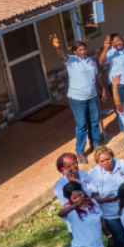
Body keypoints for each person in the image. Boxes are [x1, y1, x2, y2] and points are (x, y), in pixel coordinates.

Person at [50, 33, 104, 163]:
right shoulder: (71, 60)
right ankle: (80, 151)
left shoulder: (90, 61)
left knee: (94, 121)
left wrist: (102, 90)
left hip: (92, 96)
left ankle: (95, 143)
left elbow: (95, 77)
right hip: (77, 98)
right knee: (82, 125)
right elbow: (62, 56)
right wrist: (58, 47)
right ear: (74, 51)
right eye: (79, 50)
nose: (83, 51)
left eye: (84, 49)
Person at [99, 34, 124, 131]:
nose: (118, 43)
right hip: (118, 85)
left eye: (119, 40)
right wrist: (106, 48)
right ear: (111, 43)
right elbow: (101, 61)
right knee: (121, 105)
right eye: (115, 42)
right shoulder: (111, 52)